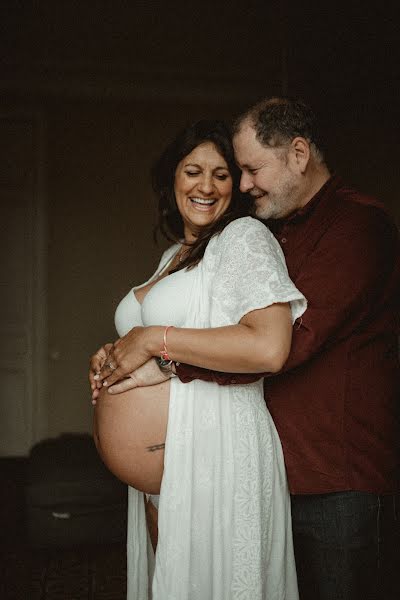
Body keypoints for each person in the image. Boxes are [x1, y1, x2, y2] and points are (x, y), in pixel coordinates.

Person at [98, 99, 400, 600]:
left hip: (335, 471)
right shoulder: (268, 230)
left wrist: (161, 359)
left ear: (298, 154)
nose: (240, 185)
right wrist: (122, 358)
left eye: (246, 169)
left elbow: (285, 343)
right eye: (201, 170)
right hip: (270, 458)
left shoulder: (355, 227)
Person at [90, 119, 307, 600]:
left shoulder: (243, 238)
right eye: (193, 171)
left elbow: (268, 348)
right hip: (166, 472)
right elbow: (166, 337)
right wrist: (116, 353)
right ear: (172, 179)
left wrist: (151, 340)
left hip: (217, 449)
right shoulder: (174, 253)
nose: (206, 186)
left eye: (222, 174)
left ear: (237, 186)